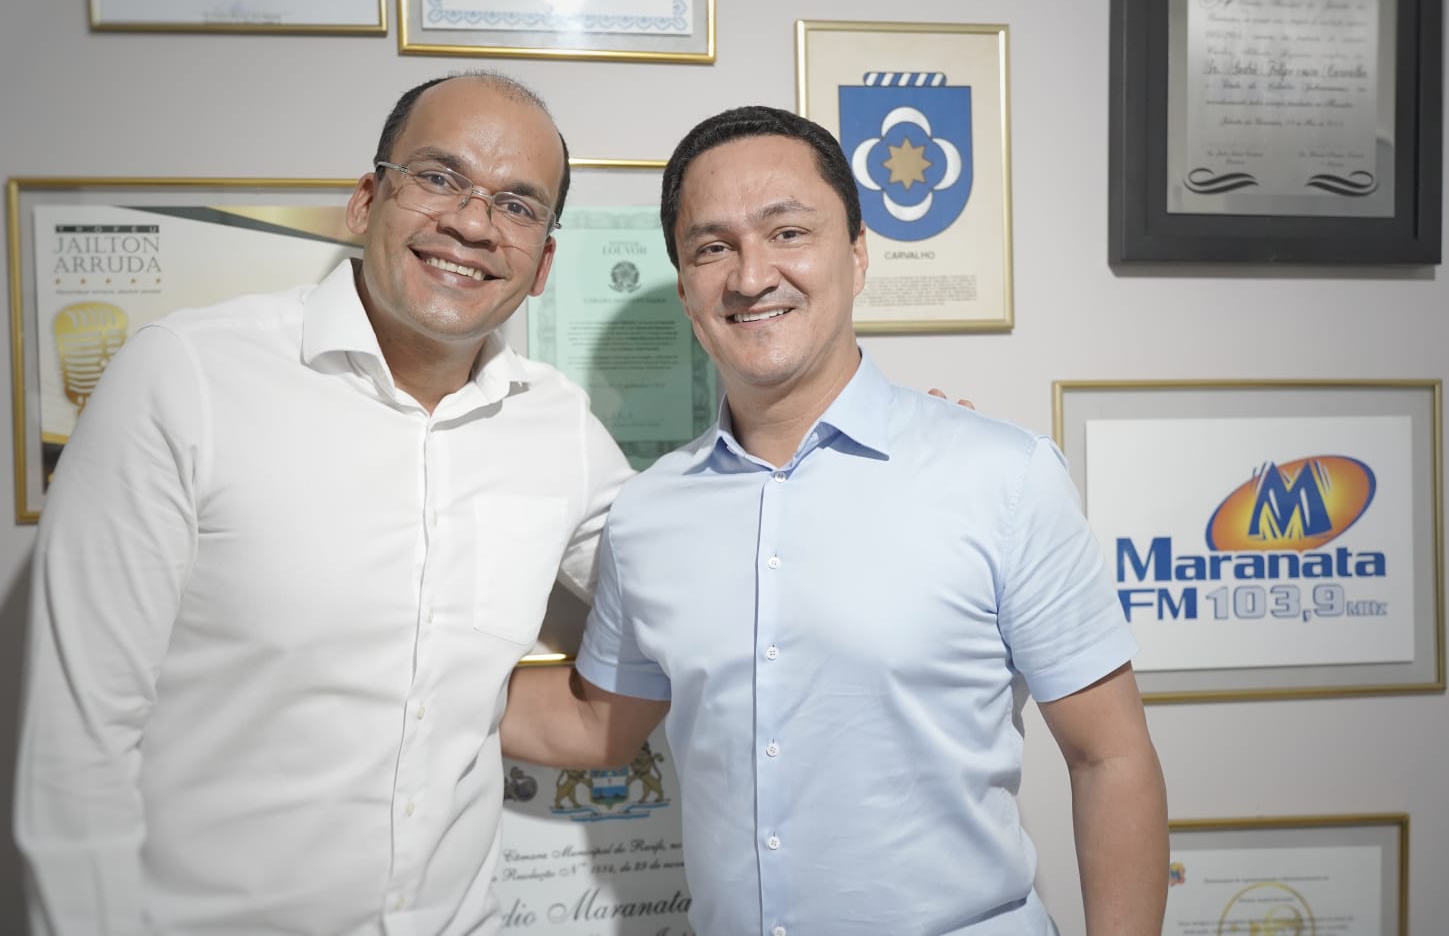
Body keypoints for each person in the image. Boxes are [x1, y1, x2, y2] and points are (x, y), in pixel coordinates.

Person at [500, 105, 1170, 934]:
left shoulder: (1001, 476)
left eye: (787, 232)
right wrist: (391, 683)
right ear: (685, 288)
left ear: (856, 253)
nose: (751, 276)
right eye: (712, 248)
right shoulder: (648, 512)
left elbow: (1109, 757)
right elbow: (597, 722)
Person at [14, 72, 635, 934]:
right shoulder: (185, 378)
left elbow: (681, 587)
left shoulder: (558, 425)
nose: (472, 223)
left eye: (518, 205)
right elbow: (77, 744)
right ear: (365, 200)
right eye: (439, 177)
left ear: (543, 265)